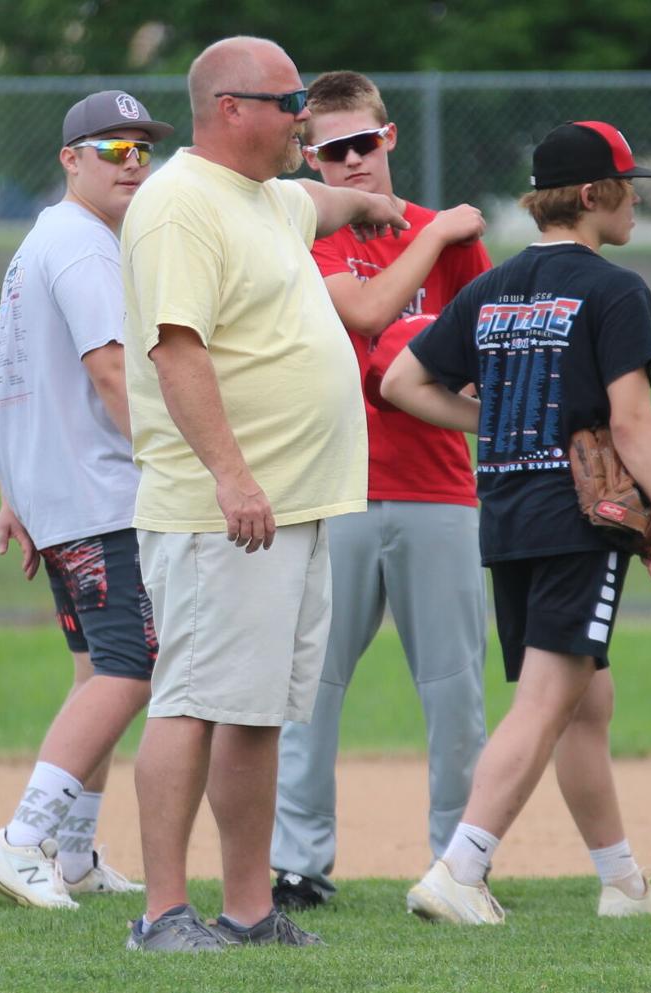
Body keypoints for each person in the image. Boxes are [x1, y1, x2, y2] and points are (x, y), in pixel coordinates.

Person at [118, 37, 408, 952]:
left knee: (256, 712)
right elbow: (176, 349)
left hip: (294, 506)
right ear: (231, 110)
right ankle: (164, 912)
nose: (303, 120)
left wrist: (367, 202)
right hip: (222, 514)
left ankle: (247, 910)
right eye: (288, 105)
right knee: (193, 702)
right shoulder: (177, 205)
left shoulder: (268, 198)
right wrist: (232, 475)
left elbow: (315, 198)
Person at [382, 121, 651, 924]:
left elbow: (402, 381)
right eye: (629, 185)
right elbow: (630, 423)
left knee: (581, 701)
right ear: (593, 196)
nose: (636, 201)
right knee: (546, 701)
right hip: (577, 523)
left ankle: (622, 883)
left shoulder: (494, 287)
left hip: (511, 516)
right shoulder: (615, 288)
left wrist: (495, 427)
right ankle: (462, 866)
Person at [268, 70, 491, 913]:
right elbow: (363, 316)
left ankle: (458, 862)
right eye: (332, 150)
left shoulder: (454, 238)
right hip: (340, 490)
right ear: (310, 160)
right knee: (309, 691)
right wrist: (428, 246)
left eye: (365, 142)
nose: (353, 161)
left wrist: (437, 243)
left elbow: (492, 352)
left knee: (455, 692)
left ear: (389, 138)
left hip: (441, 492)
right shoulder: (310, 236)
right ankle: (298, 861)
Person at [0, 91, 173, 909]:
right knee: (133, 668)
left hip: (61, 497)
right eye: (113, 150)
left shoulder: (42, 243)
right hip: (102, 495)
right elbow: (110, 369)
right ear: (70, 159)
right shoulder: (86, 247)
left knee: (99, 671)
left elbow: (7, 384)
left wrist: (14, 493)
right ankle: (19, 840)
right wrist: (167, 461)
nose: (134, 164)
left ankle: (76, 852)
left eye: (142, 150)